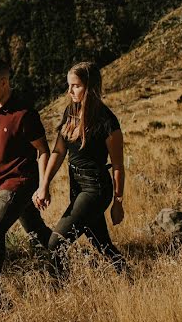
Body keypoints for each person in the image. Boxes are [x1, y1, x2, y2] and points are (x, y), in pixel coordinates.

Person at [33, 61, 127, 273]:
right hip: (77, 186)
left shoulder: (107, 121)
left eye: (75, 85)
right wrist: (44, 185)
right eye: (69, 85)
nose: (70, 91)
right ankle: (131, 280)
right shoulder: (70, 112)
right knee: (101, 244)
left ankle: (60, 292)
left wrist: (118, 202)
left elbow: (118, 166)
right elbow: (58, 151)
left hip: (95, 188)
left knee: (55, 244)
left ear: (90, 87)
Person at [0, 56, 52, 276]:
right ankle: (63, 259)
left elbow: (43, 150)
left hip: (21, 181)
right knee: (36, 231)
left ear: (4, 82)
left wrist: (43, 186)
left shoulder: (25, 114)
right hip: (4, 178)